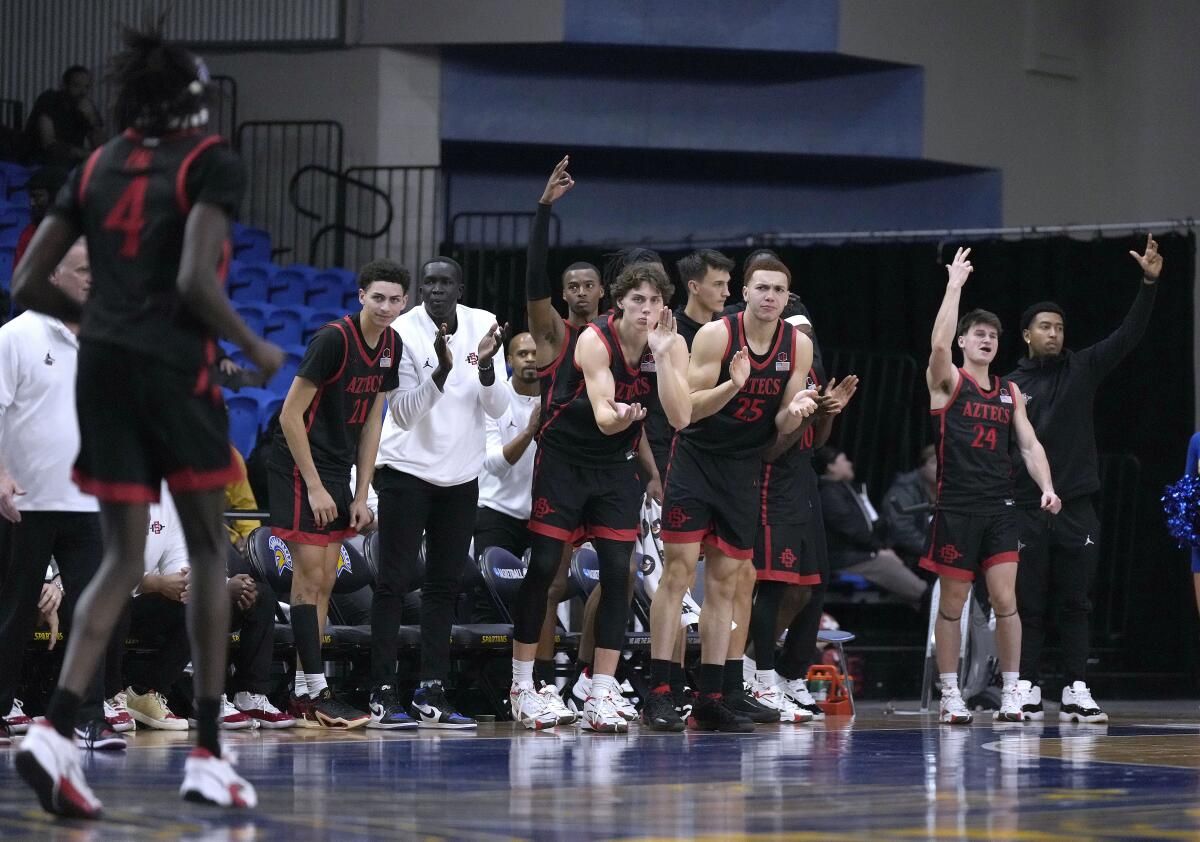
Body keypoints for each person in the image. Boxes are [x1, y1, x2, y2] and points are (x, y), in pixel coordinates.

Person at [11, 19, 283, 815]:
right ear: (192, 100)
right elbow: (199, 282)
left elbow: (28, 280)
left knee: (121, 560)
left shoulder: (93, 165)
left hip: (102, 373)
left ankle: (55, 732)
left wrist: (105, 323)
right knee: (204, 553)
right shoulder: (210, 161)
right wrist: (254, 347)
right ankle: (206, 751)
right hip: (172, 370)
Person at [515, 246, 690, 732]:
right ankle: (524, 685)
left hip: (616, 467)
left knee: (620, 573)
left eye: (655, 301)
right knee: (547, 568)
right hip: (565, 460)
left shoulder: (669, 343)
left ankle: (602, 692)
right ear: (620, 301)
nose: (646, 309)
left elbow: (680, 416)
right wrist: (627, 417)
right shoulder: (594, 341)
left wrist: (665, 358)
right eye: (638, 299)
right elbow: (604, 416)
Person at [648, 255, 818, 733]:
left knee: (729, 582)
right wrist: (734, 386)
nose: (769, 297)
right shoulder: (717, 335)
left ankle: (712, 695)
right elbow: (687, 410)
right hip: (696, 462)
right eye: (761, 287)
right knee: (677, 575)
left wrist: (800, 409)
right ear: (745, 292)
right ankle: (661, 692)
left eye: (778, 290)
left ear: (788, 298)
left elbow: (783, 421)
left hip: (742, 470)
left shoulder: (797, 347)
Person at [1006, 235, 1162, 723]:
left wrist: (1149, 284)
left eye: (1059, 327)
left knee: (1076, 601)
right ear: (1027, 335)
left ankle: (1075, 687)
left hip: (1076, 505)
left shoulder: (1083, 367)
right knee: (1027, 604)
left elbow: (1128, 334)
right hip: (1027, 507)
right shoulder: (1010, 384)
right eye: (1045, 327)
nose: (1054, 334)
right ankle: (1027, 686)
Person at [921, 247, 1060, 726]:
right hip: (956, 506)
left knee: (1007, 601)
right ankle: (949, 693)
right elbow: (937, 347)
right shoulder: (947, 382)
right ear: (963, 342)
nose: (987, 340)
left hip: (1000, 507)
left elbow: (1028, 444)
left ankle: (1012, 693)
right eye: (978, 334)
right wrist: (954, 285)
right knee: (954, 604)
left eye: (993, 336)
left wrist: (1046, 485)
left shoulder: (1010, 390)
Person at [370, 256, 507, 729]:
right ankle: (383, 691)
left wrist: (486, 369)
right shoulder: (402, 332)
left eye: (445, 282)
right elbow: (404, 413)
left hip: (461, 475)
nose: (436, 289)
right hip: (406, 470)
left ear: (460, 286)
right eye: (428, 282)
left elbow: (498, 405)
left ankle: (432, 689)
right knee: (392, 581)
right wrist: (443, 372)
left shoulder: (485, 325)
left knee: (443, 588)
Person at [271, 260, 406, 730]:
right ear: (361, 296)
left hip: (336, 468)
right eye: (378, 298)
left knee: (325, 578)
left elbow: (373, 420)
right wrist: (312, 486)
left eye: (395, 299)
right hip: (297, 462)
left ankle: (306, 689)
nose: (386, 306)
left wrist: (360, 491)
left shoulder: (392, 344)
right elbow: (289, 416)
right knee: (310, 577)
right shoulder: (332, 340)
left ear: (404, 302)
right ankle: (313, 691)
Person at [0, 239, 119, 750]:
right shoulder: (17, 336)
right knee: (13, 612)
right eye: (82, 269)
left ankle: (85, 718)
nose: (93, 278)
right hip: (22, 503)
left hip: (87, 502)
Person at [749, 312, 858, 722]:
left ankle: (791, 673)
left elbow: (817, 439)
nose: (806, 341)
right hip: (772, 483)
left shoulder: (812, 372)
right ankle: (756, 673)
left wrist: (828, 413)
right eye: (800, 335)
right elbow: (773, 447)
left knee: (812, 586)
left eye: (811, 334)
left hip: (803, 481)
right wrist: (811, 413)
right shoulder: (774, 378)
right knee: (776, 585)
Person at [118, 483, 290, 731]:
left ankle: (250, 694)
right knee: (195, 604)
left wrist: (224, 584)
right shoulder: (112, 490)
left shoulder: (170, 499)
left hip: (160, 600)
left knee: (260, 595)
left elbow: (180, 566)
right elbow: (99, 567)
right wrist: (156, 583)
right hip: (120, 603)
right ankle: (148, 690)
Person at [817, 446, 928, 604]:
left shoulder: (846, 489)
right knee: (887, 564)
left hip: (859, 552)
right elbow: (852, 529)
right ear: (831, 467)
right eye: (844, 460)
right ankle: (926, 595)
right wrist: (877, 550)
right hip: (844, 558)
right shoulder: (830, 495)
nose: (850, 464)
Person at [24, 65, 106, 166]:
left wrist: (92, 118)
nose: (83, 92)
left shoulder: (86, 106)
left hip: (71, 162)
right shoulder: (49, 99)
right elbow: (48, 144)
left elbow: (101, 147)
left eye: (86, 87)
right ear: (64, 85)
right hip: (41, 160)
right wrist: (84, 154)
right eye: (77, 86)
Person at [884, 445, 938, 565]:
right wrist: (934, 551)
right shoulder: (904, 489)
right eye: (934, 462)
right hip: (904, 553)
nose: (940, 468)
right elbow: (902, 530)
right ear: (922, 466)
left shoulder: (949, 491)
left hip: (932, 552)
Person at [14, 166, 69, 266]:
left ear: (54, 196)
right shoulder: (29, 234)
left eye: (38, 197)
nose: (32, 203)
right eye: (31, 197)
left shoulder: (77, 232)